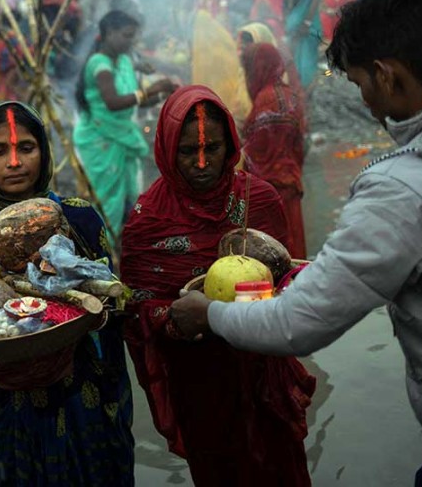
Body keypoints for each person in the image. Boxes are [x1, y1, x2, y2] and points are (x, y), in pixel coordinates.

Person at [170, 0, 422, 485]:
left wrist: (211, 313)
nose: (367, 105)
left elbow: (299, 322)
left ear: (388, 76)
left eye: (361, 85)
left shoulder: (401, 191)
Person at [0, 100, 135, 486]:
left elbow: (114, 308)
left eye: (26, 147)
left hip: (82, 390)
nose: (15, 163)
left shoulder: (79, 218)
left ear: (44, 150)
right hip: (6, 403)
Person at [122, 84, 315, 486]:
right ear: (166, 150)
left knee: (282, 468)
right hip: (200, 378)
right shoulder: (147, 219)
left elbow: (285, 274)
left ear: (231, 143)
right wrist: (177, 320)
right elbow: (137, 308)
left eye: (214, 148)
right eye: (188, 151)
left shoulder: (258, 198)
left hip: (262, 367)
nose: (203, 162)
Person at [73, 10, 176, 239]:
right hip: (100, 137)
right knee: (108, 198)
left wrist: (163, 94)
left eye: (133, 36)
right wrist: (151, 89)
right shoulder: (99, 64)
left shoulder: (124, 61)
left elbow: (135, 100)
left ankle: (127, 239)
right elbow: (112, 102)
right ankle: (104, 247)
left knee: (131, 193)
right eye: (127, 35)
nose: (131, 42)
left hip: (121, 133)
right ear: (109, 33)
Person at [241, 43, 308, 258]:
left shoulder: (265, 100)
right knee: (294, 249)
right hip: (291, 184)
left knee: (274, 255)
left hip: (270, 192)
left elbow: (256, 153)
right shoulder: (290, 95)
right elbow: (301, 144)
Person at [276, 0, 321, 89]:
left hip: (309, 24)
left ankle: (312, 87)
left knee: (307, 62)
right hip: (295, 27)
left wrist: (306, 23)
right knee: (295, 62)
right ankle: (301, 92)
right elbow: (290, 3)